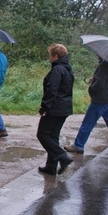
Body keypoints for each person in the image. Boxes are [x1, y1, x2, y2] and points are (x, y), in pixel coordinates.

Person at [64, 57, 108, 159]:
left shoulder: (104, 65)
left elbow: (100, 84)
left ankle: (78, 145)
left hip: (100, 101)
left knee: (88, 123)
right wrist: (95, 79)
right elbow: (105, 80)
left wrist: (92, 87)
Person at [36, 44, 75, 175]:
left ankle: (62, 157)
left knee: (42, 134)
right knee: (53, 136)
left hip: (54, 107)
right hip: (65, 107)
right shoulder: (68, 69)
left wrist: (44, 107)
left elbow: (52, 89)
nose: (49, 58)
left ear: (56, 56)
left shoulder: (58, 69)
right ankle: (51, 166)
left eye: (50, 55)